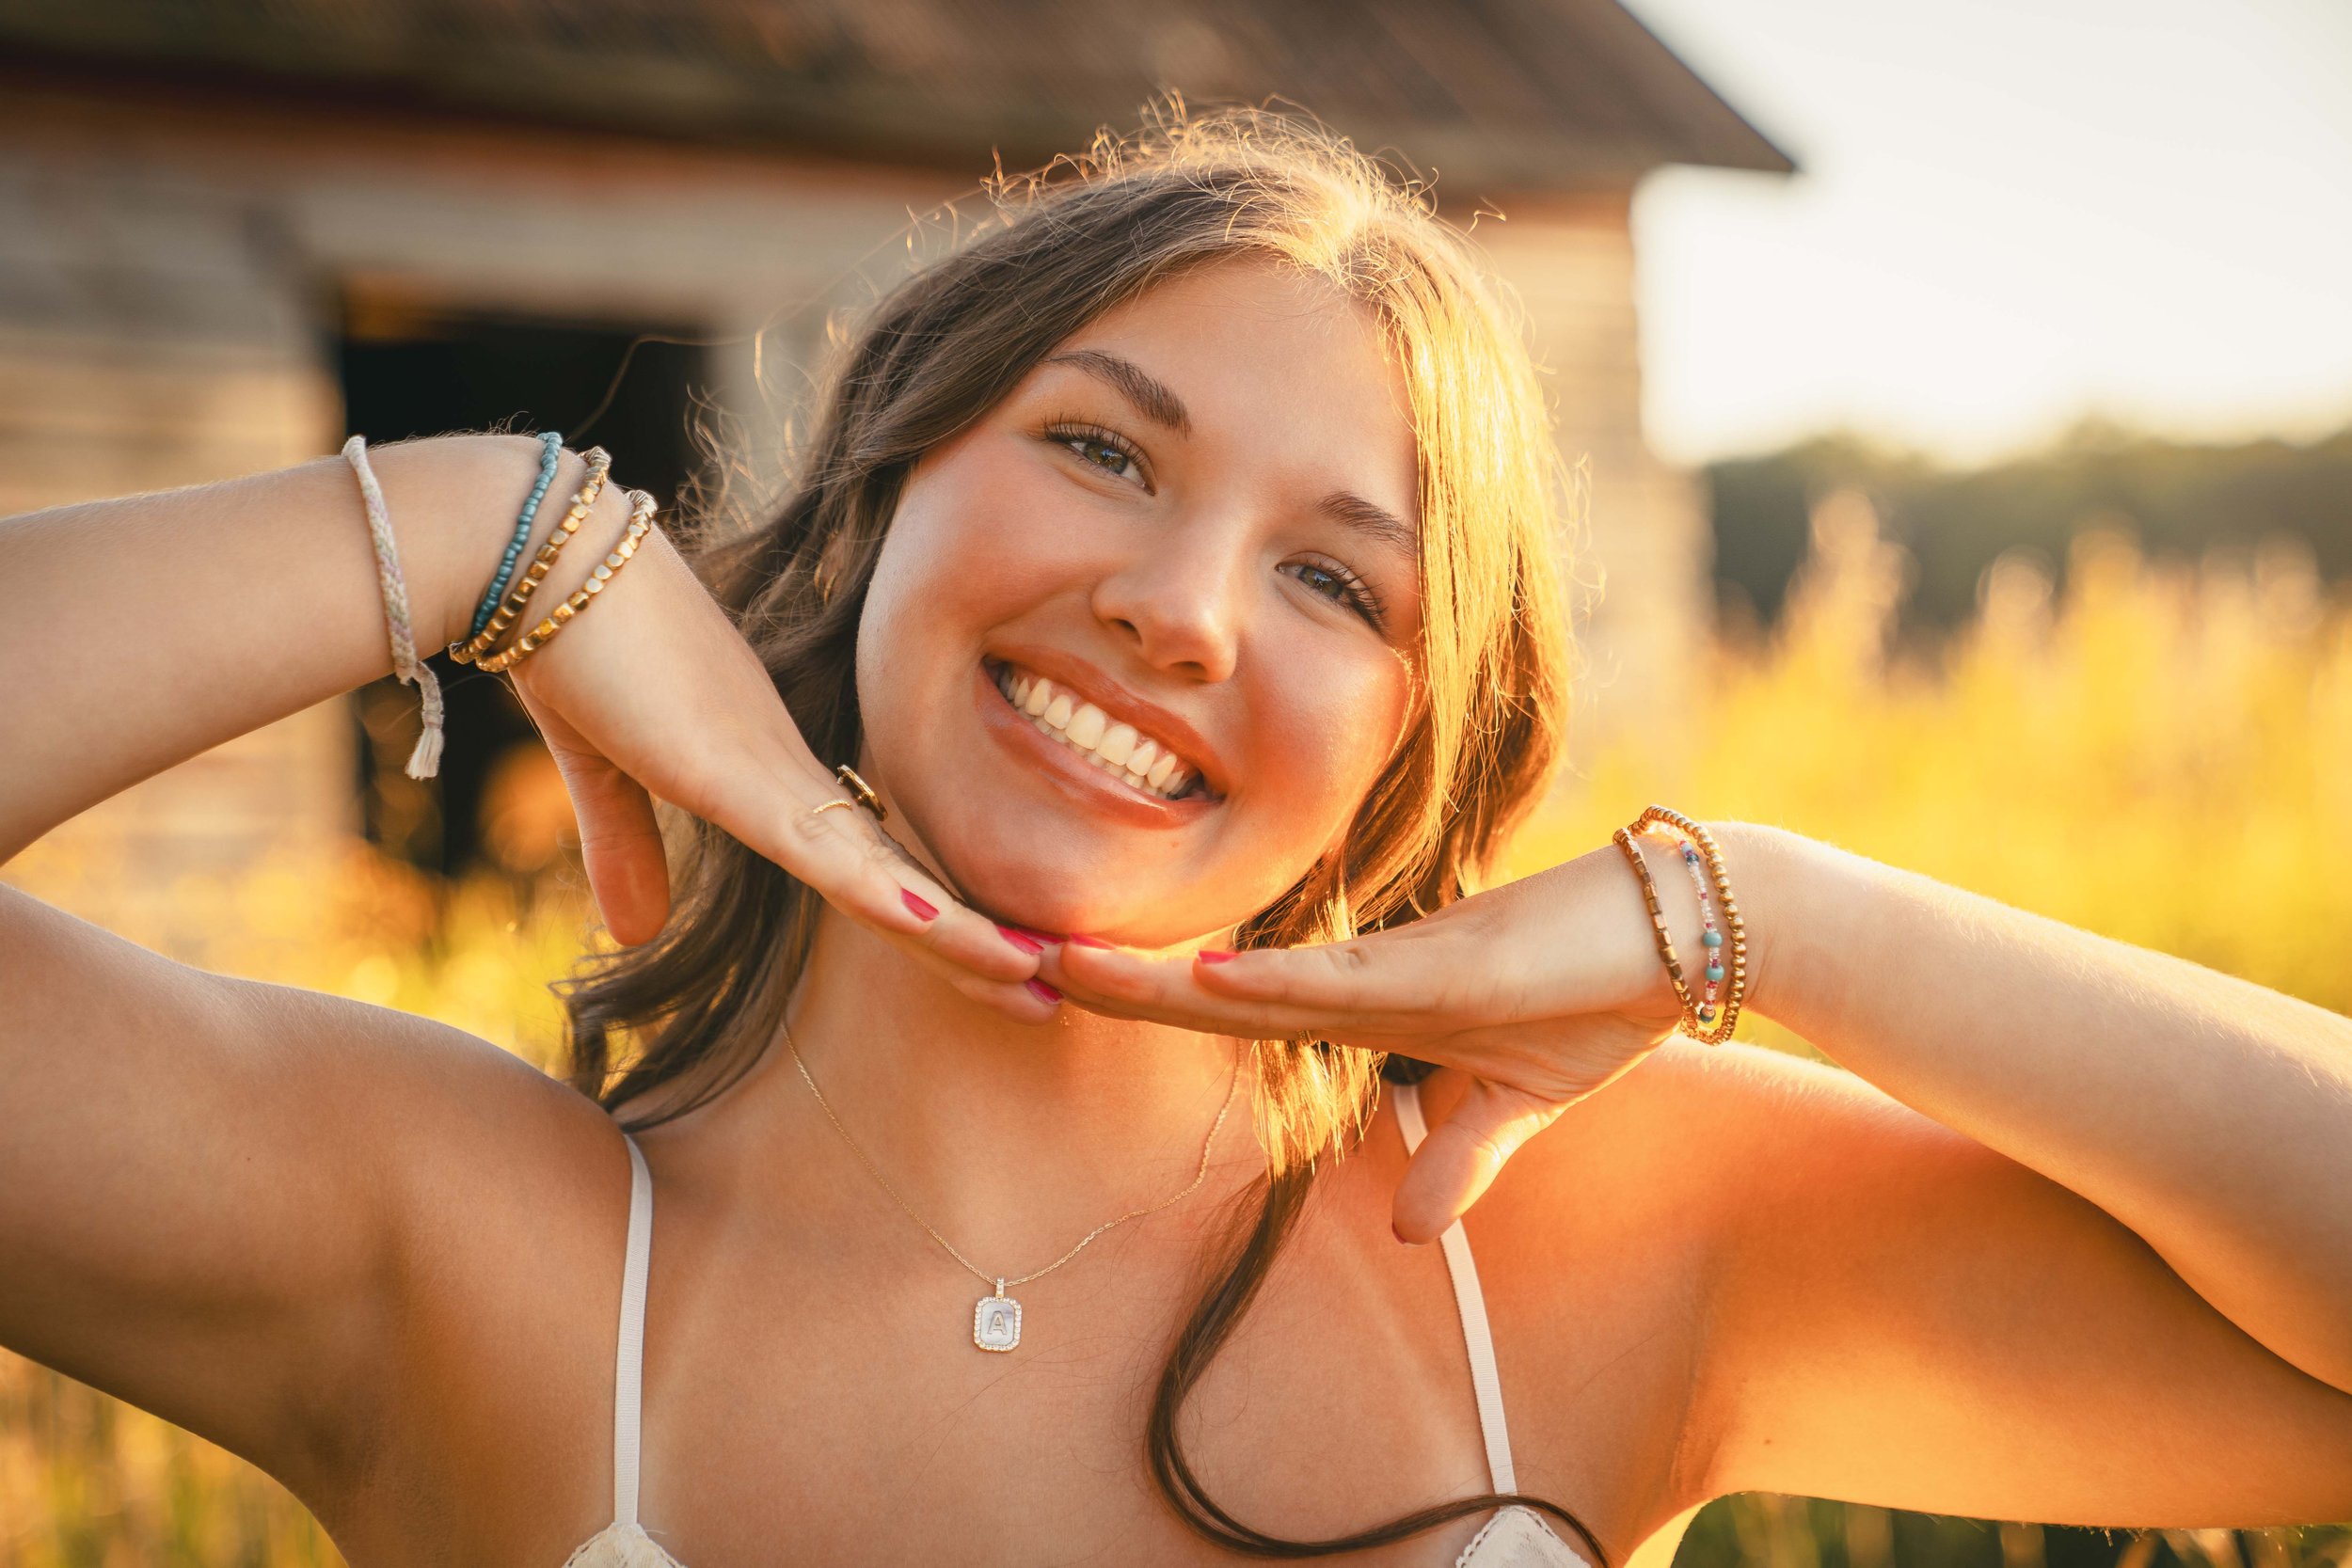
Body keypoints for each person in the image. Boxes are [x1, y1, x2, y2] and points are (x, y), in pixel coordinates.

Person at [1, 108, 2347, 1568]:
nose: (1179, 607)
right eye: (1103, 450)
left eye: (1336, 577)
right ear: (888, 489)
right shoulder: (447, 1238)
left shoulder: (1594, 1248)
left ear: (1420, 742)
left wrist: (1765, 917)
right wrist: (467, 526)